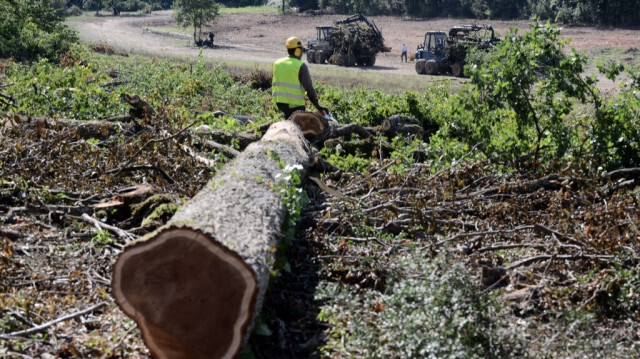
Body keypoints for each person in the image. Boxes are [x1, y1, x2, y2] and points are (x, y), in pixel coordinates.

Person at [272, 36, 328, 120]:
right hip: (294, 105)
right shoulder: (300, 66)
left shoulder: (277, 63)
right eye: (301, 50)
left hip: (280, 104)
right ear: (297, 51)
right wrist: (318, 107)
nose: (302, 53)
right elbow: (309, 89)